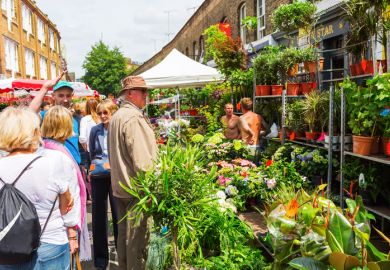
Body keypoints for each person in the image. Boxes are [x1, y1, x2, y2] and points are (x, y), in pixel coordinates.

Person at [0, 107, 73, 269]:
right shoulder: (54, 161)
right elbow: (66, 206)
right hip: (50, 242)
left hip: (7, 248)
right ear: (34, 132)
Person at [108, 76, 158, 270]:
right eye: (143, 91)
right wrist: (150, 191)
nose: (146, 95)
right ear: (130, 93)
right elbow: (143, 161)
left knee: (124, 239)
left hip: (122, 188)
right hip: (136, 191)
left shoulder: (118, 116)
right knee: (136, 242)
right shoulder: (133, 118)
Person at [41, 105, 91, 263]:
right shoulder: (61, 155)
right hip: (59, 230)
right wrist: (72, 233)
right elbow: (69, 197)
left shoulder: (40, 148)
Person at [89, 100, 119, 269]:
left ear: (113, 112)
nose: (102, 116)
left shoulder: (117, 129)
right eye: (100, 113)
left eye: (105, 112)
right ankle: (101, 261)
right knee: (98, 218)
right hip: (99, 176)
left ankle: (122, 254)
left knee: (118, 216)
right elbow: (92, 152)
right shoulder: (95, 130)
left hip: (116, 175)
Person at [29, 72, 81, 165]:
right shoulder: (47, 115)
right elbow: (29, 113)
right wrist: (45, 87)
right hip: (55, 166)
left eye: (68, 96)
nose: (65, 99)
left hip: (75, 166)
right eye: (61, 95)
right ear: (53, 96)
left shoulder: (75, 119)